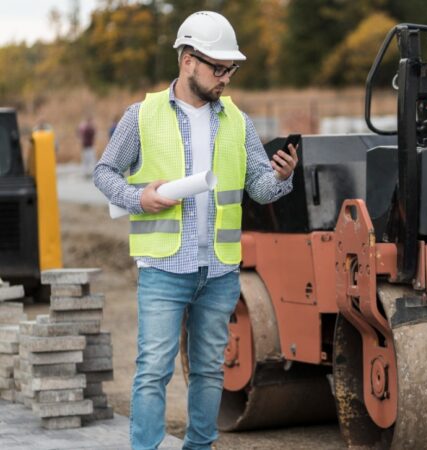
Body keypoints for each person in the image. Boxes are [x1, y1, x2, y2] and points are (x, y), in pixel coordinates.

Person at [93, 11, 299, 450]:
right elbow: (104, 172)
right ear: (188, 60)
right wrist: (138, 197)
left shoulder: (238, 122)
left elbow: (258, 190)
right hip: (164, 267)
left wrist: (281, 178)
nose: (226, 78)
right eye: (218, 68)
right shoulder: (142, 115)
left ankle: (199, 446)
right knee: (154, 369)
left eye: (231, 69)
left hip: (220, 270)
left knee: (209, 368)